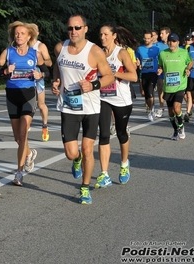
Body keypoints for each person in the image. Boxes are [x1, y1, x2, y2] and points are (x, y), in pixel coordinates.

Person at [51, 15, 114, 204]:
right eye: (70, 28)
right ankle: (76, 160)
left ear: (85, 29)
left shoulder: (94, 51)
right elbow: (58, 66)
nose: (74, 31)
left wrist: (93, 85)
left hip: (90, 107)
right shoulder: (59, 48)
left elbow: (109, 76)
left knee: (88, 149)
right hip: (69, 107)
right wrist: (55, 81)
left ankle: (85, 188)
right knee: (71, 153)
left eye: (77, 28)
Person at [0, 21, 49, 186]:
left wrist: (40, 75)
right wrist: (5, 71)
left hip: (28, 95)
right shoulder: (8, 52)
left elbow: (46, 71)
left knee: (23, 134)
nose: (19, 36)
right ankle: (29, 154)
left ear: (29, 36)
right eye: (17, 33)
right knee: (17, 138)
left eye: (22, 33)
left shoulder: (34, 54)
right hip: (12, 96)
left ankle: (18, 173)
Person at [95, 23, 137, 189]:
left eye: (106, 34)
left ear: (114, 36)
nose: (102, 38)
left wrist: (114, 74)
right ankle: (104, 174)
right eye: (101, 35)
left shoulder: (122, 53)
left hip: (122, 100)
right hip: (103, 98)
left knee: (121, 133)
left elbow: (133, 76)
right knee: (104, 134)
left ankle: (124, 163)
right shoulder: (97, 53)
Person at [157, 33, 193, 140]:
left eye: (173, 41)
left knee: (177, 109)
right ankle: (175, 130)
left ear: (177, 42)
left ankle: (181, 127)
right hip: (168, 86)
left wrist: (188, 69)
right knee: (171, 112)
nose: (171, 43)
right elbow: (161, 65)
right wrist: (160, 69)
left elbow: (191, 62)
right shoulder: (163, 53)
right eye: (169, 41)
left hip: (180, 85)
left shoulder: (183, 52)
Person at [29, 23, 52, 141]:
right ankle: (26, 125)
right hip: (25, 79)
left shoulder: (41, 46)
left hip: (38, 78)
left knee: (40, 104)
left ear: (38, 33)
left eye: (36, 30)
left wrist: (41, 61)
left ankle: (44, 126)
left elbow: (50, 63)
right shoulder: (22, 44)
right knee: (27, 105)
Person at [135, 30, 160, 121]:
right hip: (144, 73)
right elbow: (136, 58)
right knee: (145, 94)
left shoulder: (157, 49)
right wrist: (137, 62)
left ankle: (151, 110)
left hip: (153, 73)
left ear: (151, 38)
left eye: (148, 38)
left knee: (149, 91)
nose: (146, 40)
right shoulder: (140, 49)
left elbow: (161, 59)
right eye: (145, 38)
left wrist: (160, 68)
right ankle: (151, 107)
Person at [154, 27, 170, 118]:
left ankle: (191, 107)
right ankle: (161, 107)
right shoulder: (157, 45)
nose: (160, 35)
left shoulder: (172, 44)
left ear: (167, 34)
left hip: (171, 70)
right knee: (160, 86)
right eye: (160, 33)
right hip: (161, 70)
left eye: (162, 33)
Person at [184, 30, 194, 124]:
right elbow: (186, 62)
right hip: (192, 76)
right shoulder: (189, 48)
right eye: (193, 37)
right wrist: (187, 69)